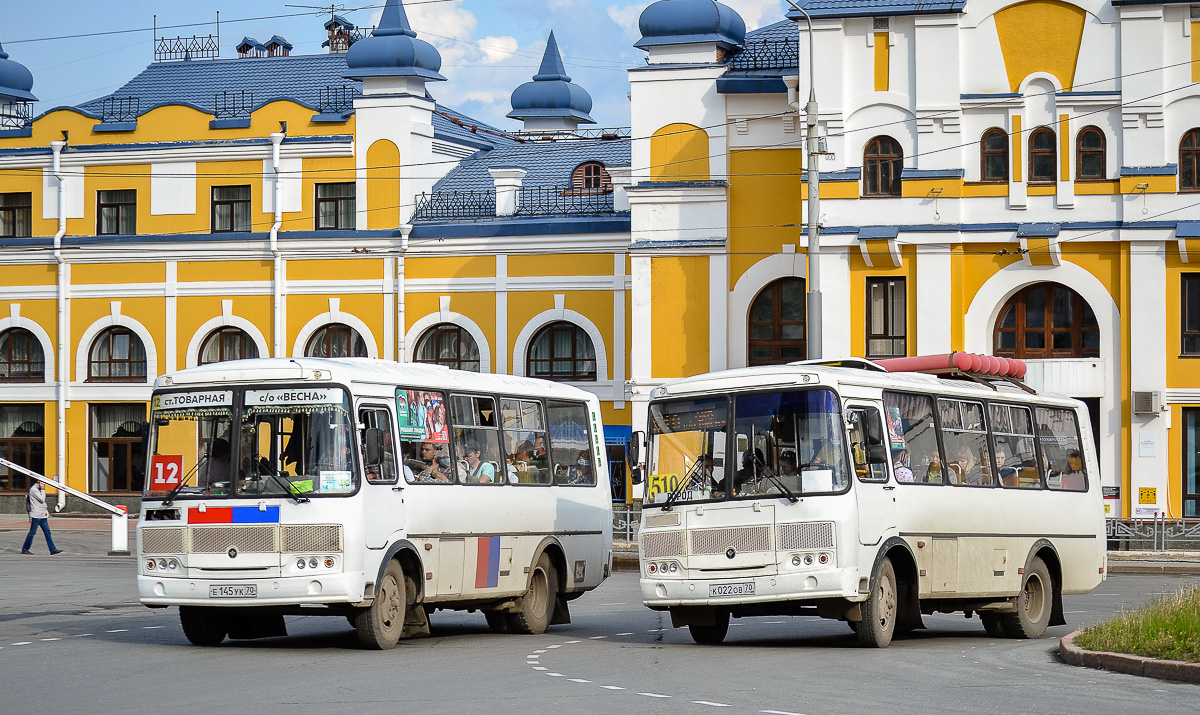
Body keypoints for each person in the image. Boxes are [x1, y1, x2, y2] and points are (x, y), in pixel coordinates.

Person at [22, 481, 62, 555]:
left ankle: (52, 549)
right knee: (32, 533)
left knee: (47, 532)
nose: (43, 485)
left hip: (42, 515)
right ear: (38, 483)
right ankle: (25, 549)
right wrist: (43, 489)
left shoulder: (38, 489)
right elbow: (42, 499)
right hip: (37, 515)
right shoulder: (34, 490)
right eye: (42, 484)